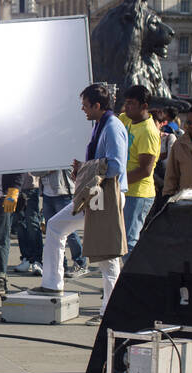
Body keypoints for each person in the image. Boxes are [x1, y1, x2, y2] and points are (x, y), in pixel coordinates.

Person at [34, 84, 128, 317]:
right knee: (57, 226)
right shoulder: (103, 124)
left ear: (98, 105)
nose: (83, 109)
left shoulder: (112, 127)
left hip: (106, 194)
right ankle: (53, 284)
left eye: (86, 105)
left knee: (108, 254)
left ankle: (109, 307)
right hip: (98, 193)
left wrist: (86, 168)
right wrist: (84, 169)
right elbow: (106, 163)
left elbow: (116, 165)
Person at [118, 84, 161, 251]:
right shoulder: (125, 118)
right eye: (126, 102)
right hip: (124, 190)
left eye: (131, 103)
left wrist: (116, 180)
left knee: (129, 241)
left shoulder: (149, 132)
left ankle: (138, 276)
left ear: (144, 106)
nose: (126, 107)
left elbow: (145, 170)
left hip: (139, 194)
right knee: (119, 241)